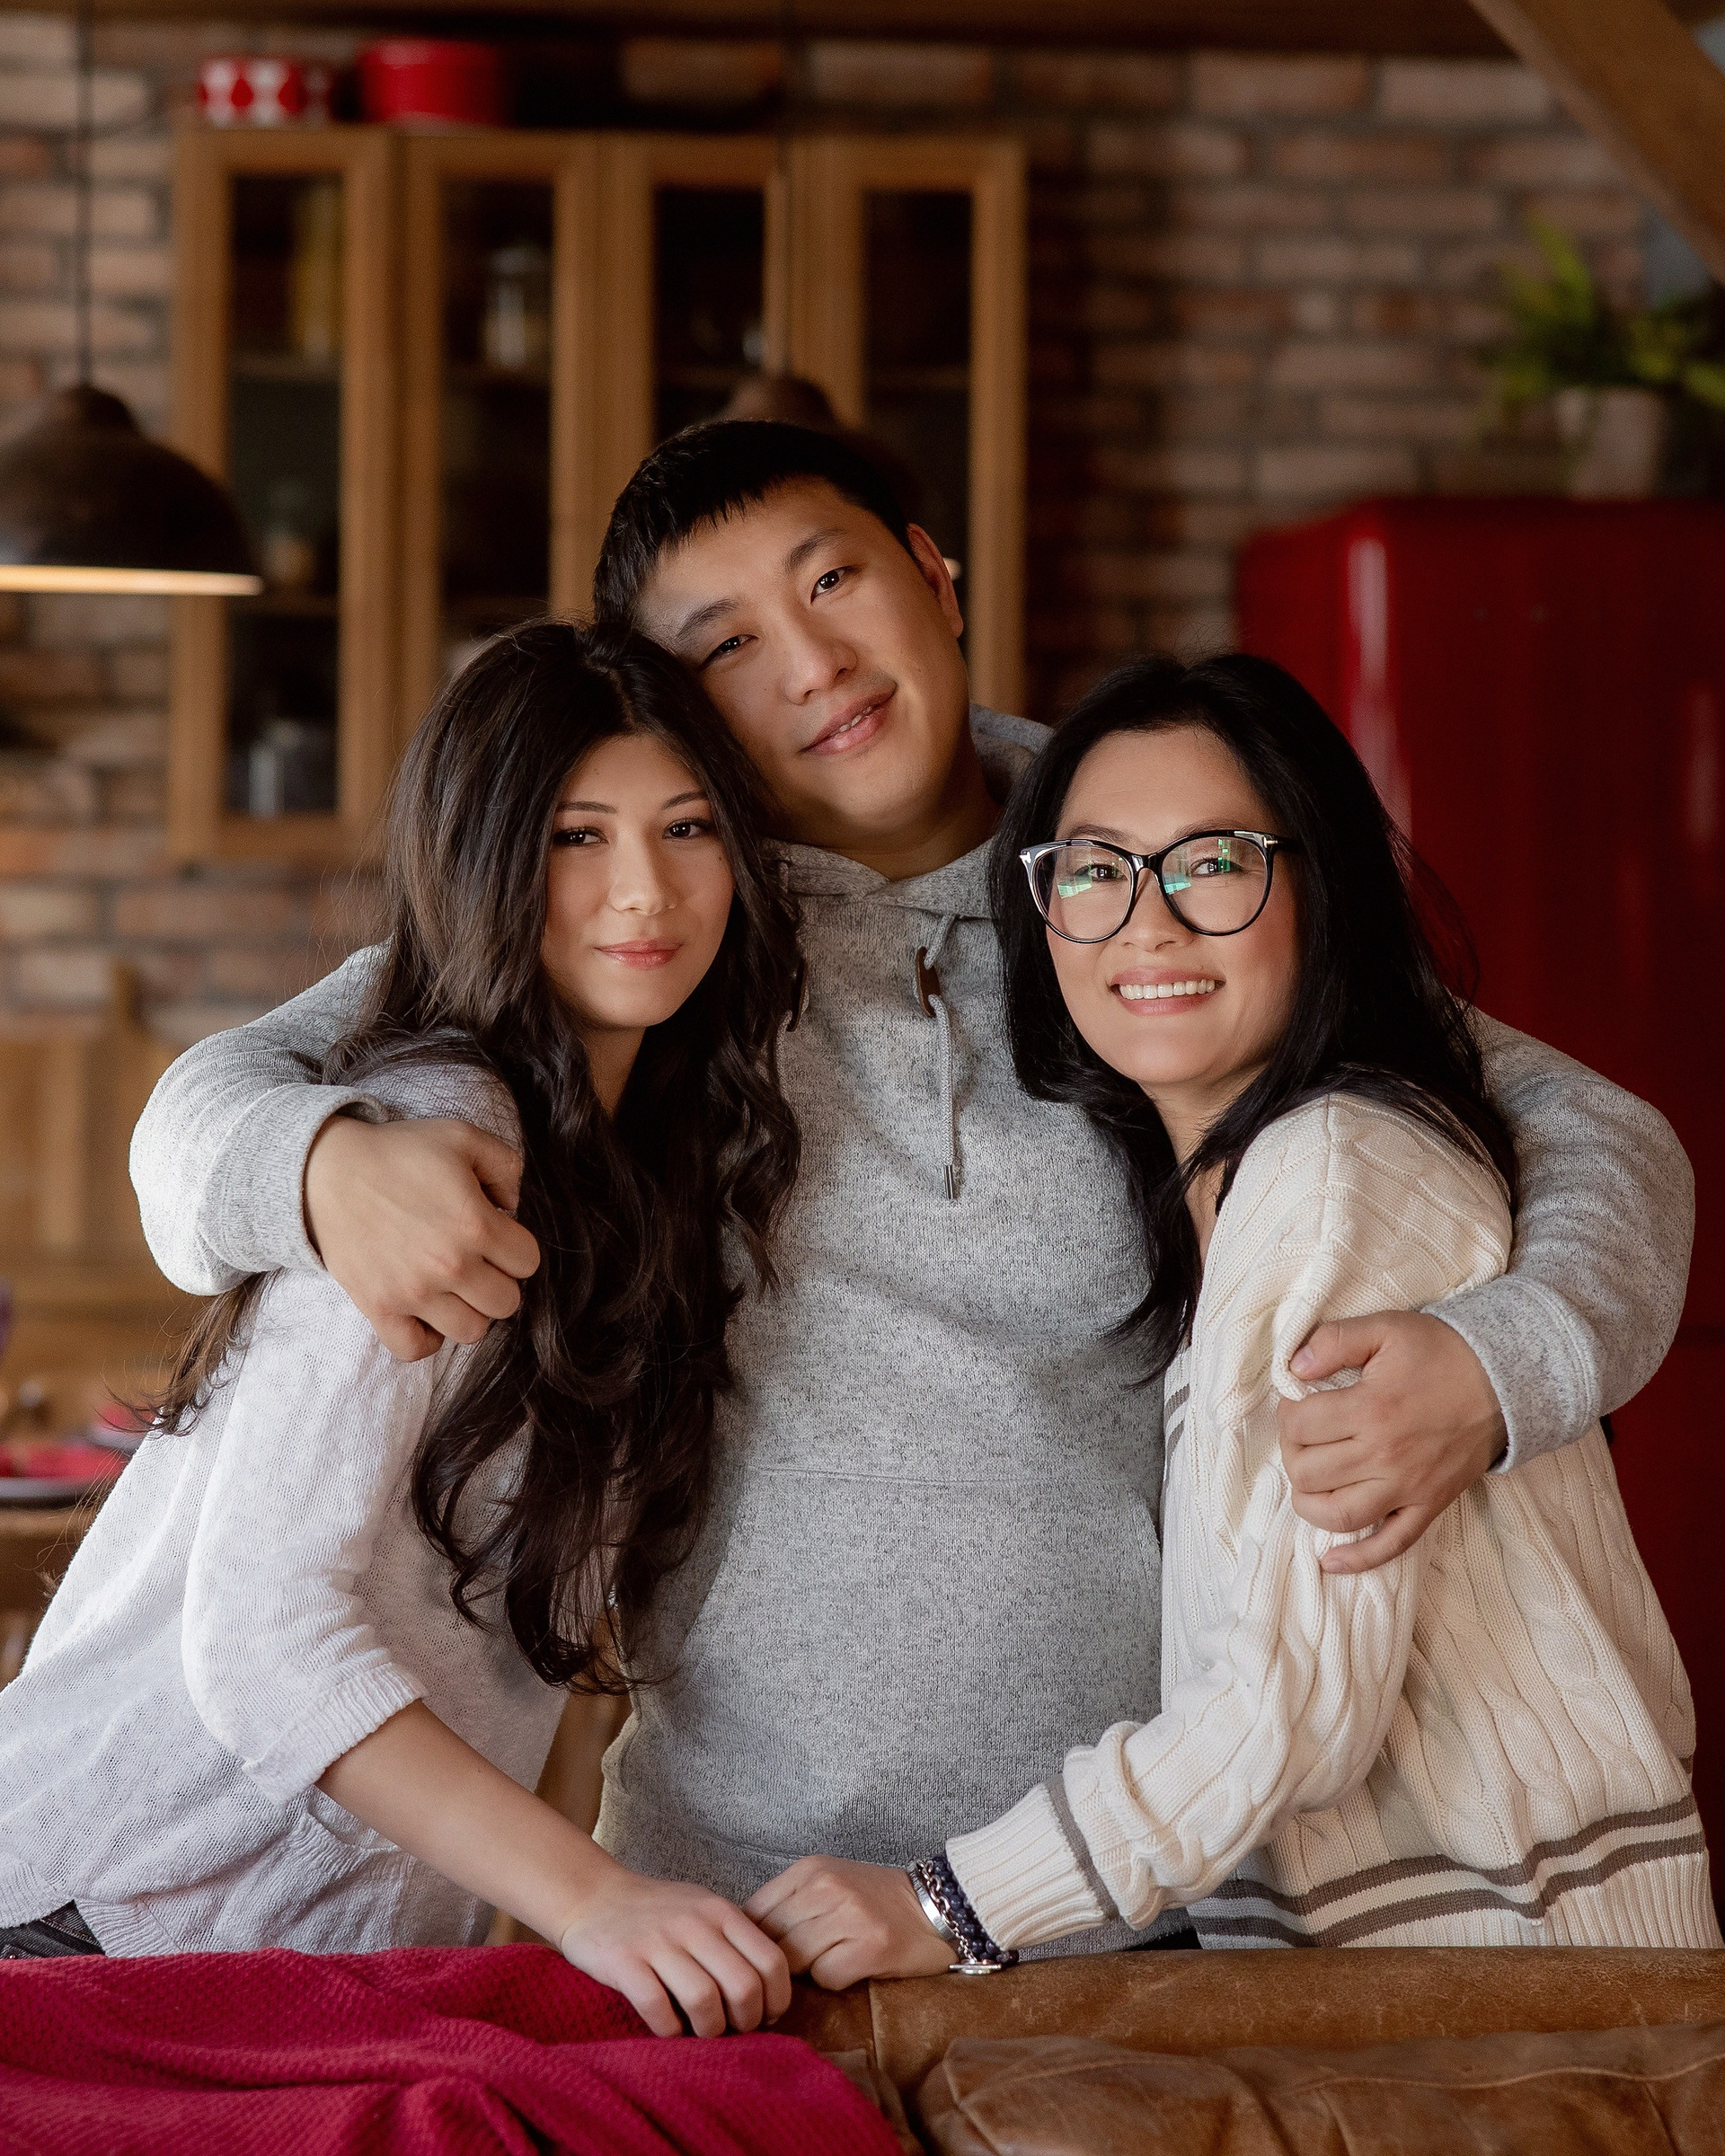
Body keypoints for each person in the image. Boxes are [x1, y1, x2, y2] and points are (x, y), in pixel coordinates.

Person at [128, 425, 1693, 1950]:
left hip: (1130, 1896)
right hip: (739, 1901)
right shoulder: (644, 921)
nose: (813, 663)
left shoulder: (1132, 875)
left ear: (935, 578)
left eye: (834, 581)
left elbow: (1595, 1129)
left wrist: (1506, 1365)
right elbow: (201, 1111)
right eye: (729, 643)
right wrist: (315, 1163)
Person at [747, 656, 1720, 1973]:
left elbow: (1287, 1709)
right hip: (1410, 1988)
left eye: (1213, 862)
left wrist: (948, 1907)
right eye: (1093, 870)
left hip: (1508, 1998)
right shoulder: (1232, 1194)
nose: (1146, 924)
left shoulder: (1335, 1173)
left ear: (1322, 891)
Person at [0, 623, 805, 2037]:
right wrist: (594, 1899)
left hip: (303, 1961)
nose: (645, 890)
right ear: (485, 859)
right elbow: (261, 1638)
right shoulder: (445, 1128)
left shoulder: (649, 1161)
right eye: (575, 836)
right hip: (102, 1916)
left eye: (688, 828)